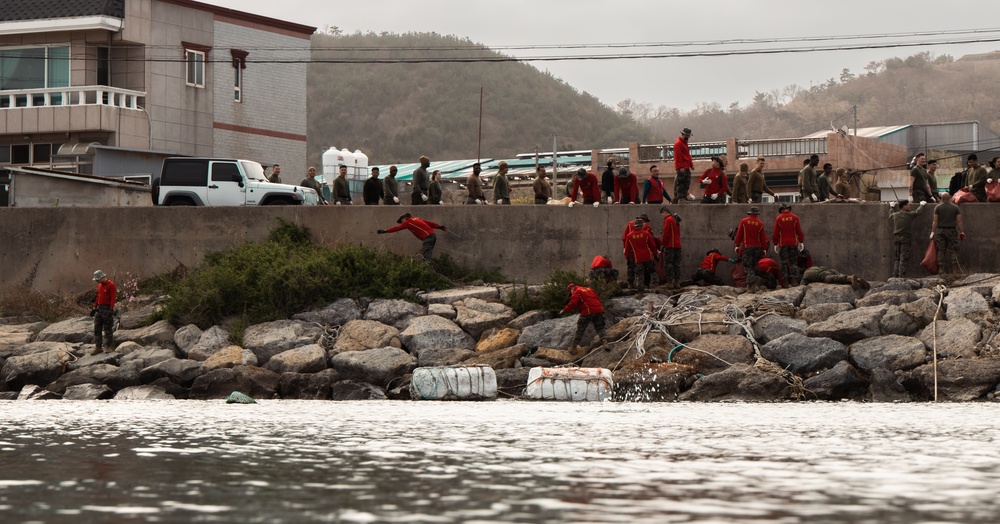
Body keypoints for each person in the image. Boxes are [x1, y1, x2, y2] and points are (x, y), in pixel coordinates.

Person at [561, 283, 609, 355]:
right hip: (599, 309)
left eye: (570, 294)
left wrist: (564, 310)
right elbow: (598, 299)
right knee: (600, 327)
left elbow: (573, 303)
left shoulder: (576, 291)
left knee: (580, 329)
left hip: (588, 311)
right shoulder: (590, 289)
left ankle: (573, 348)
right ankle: (605, 343)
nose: (571, 295)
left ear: (571, 289)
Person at [377, 213, 448, 260]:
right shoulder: (416, 219)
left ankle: (429, 271)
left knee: (427, 255)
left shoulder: (408, 222)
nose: (402, 222)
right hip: (432, 235)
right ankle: (427, 268)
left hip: (427, 237)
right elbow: (429, 223)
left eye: (401, 220)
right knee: (426, 253)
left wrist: (386, 231)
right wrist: (439, 227)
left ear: (404, 218)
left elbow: (397, 228)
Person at [888, 199, 927, 278]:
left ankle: (895, 274)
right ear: (904, 206)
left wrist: (891, 207)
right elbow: (918, 212)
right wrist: (921, 205)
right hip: (905, 238)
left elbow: (890, 215)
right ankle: (901, 275)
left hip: (896, 237)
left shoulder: (895, 215)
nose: (910, 206)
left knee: (897, 257)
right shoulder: (909, 215)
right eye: (908, 205)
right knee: (903, 257)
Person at [734, 206, 769, 291]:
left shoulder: (744, 221)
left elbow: (739, 235)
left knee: (748, 266)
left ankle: (753, 285)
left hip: (747, 247)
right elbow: (763, 238)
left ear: (749, 213)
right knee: (753, 266)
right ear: (757, 214)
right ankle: (749, 286)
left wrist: (737, 245)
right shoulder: (760, 223)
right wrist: (764, 249)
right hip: (757, 248)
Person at [931, 192, 965, 274]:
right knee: (953, 250)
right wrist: (962, 232)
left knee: (941, 250)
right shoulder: (955, 208)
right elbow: (959, 221)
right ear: (950, 198)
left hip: (940, 231)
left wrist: (932, 232)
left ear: (941, 199)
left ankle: (941, 270)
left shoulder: (938, 207)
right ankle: (955, 270)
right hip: (952, 231)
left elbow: (935, 221)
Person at [772, 203, 805, 286]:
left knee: (784, 263)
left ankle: (785, 281)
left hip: (783, 244)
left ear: (781, 209)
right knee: (793, 262)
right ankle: (793, 280)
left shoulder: (779, 218)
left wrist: (775, 243)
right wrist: (801, 241)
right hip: (793, 243)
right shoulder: (795, 218)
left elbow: (776, 233)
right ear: (789, 208)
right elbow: (799, 231)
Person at [623, 217, 658, 292]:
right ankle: (655, 286)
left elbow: (627, 250)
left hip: (637, 258)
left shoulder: (629, 236)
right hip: (648, 256)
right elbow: (652, 246)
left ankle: (640, 291)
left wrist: (628, 257)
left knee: (639, 274)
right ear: (642, 225)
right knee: (652, 272)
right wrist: (655, 254)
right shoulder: (646, 233)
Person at [90, 270, 117, 355]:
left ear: (102, 277)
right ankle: (98, 347)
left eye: (98, 279)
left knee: (107, 328)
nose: (97, 281)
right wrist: (95, 307)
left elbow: (113, 298)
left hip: (107, 308)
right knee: (97, 328)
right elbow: (98, 297)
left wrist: (111, 309)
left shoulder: (111, 285)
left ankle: (108, 347)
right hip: (99, 308)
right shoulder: (99, 285)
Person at [659, 206, 682, 288]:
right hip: (678, 245)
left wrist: (663, 244)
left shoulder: (668, 220)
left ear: (665, 212)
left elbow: (666, 233)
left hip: (670, 245)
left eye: (662, 215)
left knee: (669, 264)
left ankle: (669, 282)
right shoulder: (675, 220)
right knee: (677, 264)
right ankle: (677, 281)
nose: (662, 217)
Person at [801, 266, 870, 291]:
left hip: (824, 274)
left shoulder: (805, 276)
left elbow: (802, 286)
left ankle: (850, 278)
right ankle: (857, 280)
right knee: (839, 277)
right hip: (829, 270)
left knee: (830, 279)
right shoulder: (812, 268)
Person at [673, 127, 694, 204]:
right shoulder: (678, 144)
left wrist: (691, 165)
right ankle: (680, 198)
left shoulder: (685, 143)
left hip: (686, 166)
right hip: (682, 166)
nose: (687, 137)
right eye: (686, 135)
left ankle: (684, 197)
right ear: (683, 134)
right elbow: (677, 156)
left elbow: (688, 155)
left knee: (686, 182)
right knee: (681, 183)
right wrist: (680, 166)